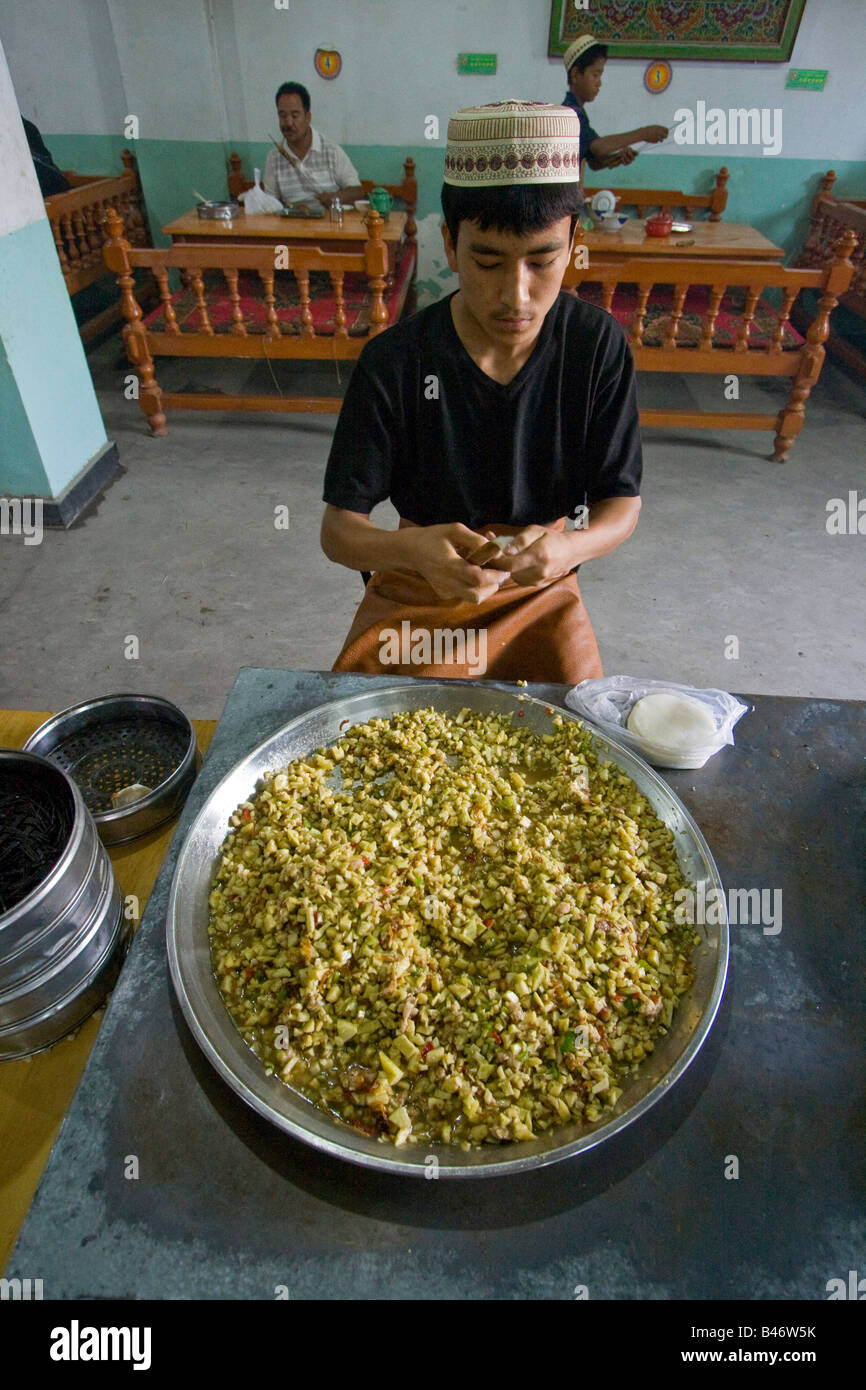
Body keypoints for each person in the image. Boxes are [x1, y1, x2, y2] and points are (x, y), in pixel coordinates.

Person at [319, 100, 642, 684]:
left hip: (538, 587)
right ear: (450, 242)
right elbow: (339, 532)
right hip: (420, 584)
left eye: (542, 261)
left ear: (573, 240)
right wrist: (413, 552)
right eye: (488, 262)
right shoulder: (395, 361)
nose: (515, 296)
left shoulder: (596, 347)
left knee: (576, 740)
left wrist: (567, 550)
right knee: (362, 738)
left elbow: (622, 506)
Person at [562, 34, 668, 171]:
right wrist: (643, 133)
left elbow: (594, 162)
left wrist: (618, 157)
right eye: (595, 75)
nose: (599, 83)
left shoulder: (577, 112)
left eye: (600, 76)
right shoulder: (571, 113)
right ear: (576, 75)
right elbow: (599, 148)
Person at [262, 82, 365, 210]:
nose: (288, 122)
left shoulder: (331, 151)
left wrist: (335, 197)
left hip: (330, 227)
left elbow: (358, 192)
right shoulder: (274, 158)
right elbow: (271, 206)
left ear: (308, 117)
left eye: (295, 115)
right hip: (292, 228)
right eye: (282, 115)